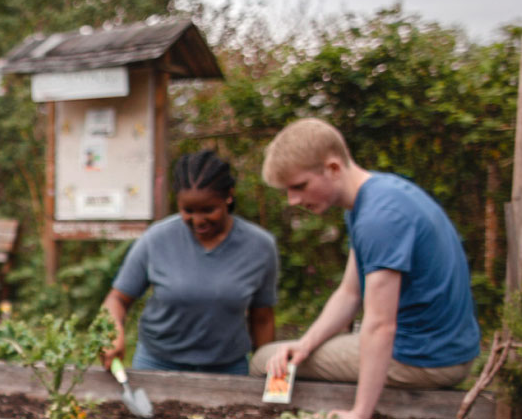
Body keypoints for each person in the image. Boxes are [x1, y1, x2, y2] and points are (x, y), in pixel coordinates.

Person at [252, 118, 480, 419]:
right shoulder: (376, 198)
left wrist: (360, 412)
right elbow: (349, 293)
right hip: (443, 349)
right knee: (288, 355)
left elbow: (380, 325)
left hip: (427, 358)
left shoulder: (379, 218)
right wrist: (304, 344)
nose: (294, 200)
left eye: (299, 186)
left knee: (264, 360)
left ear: (333, 168)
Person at [99, 151, 278, 375]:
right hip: (158, 364)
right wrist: (112, 333)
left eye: (208, 210)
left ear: (228, 196)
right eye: (188, 211)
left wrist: (269, 375)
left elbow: (262, 318)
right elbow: (117, 299)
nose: (198, 220)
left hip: (228, 369)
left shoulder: (259, 246)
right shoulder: (157, 239)